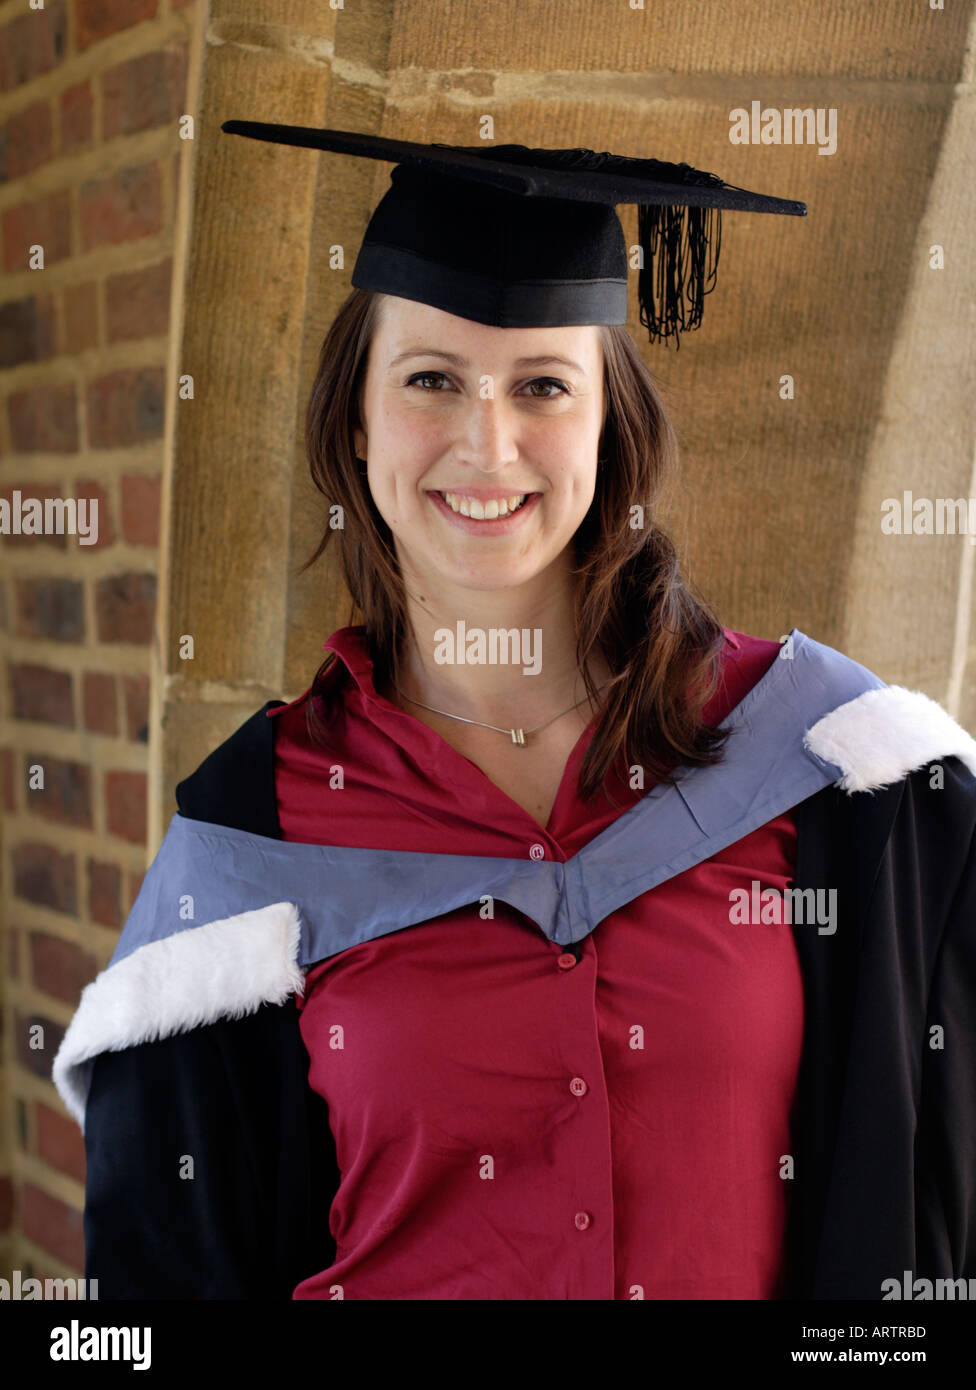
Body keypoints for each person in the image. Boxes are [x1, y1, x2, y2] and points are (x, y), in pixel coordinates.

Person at [53, 128, 976, 1301]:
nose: (486, 445)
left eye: (543, 384)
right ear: (356, 423)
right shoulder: (259, 835)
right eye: (430, 379)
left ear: (606, 427)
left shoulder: (832, 763)